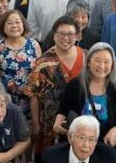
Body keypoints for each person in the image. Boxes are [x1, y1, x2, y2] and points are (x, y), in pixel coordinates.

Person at [26, 16, 86, 154]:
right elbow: (33, 94)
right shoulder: (43, 62)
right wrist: (36, 123)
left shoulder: (86, 57)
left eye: (70, 34)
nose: (66, 38)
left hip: (81, 121)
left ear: (77, 36)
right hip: (51, 125)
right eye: (61, 33)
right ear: (54, 36)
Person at [54, 43, 116, 148]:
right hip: (78, 142)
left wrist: (114, 131)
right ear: (88, 62)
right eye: (97, 60)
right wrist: (58, 123)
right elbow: (63, 109)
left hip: (105, 142)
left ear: (112, 65)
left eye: (106, 62)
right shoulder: (75, 85)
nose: (102, 66)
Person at [0, 9, 41, 119]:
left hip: (32, 99)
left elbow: (41, 72)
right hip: (7, 100)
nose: (14, 25)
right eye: (9, 22)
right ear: (3, 26)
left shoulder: (33, 45)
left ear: (23, 24)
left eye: (17, 22)